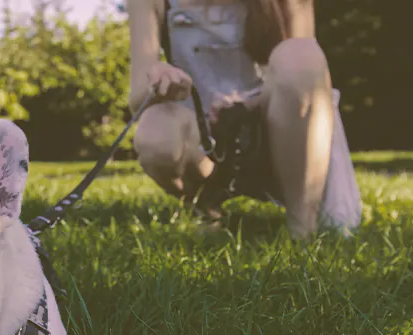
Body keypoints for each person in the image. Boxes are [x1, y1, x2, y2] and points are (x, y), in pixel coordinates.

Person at [126, 0, 362, 239]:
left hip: (280, 130)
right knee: (155, 133)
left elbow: (308, 75)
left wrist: (243, 106)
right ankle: (205, 206)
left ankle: (302, 227)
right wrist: (162, 80)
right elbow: (137, 98)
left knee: (300, 54)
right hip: (202, 135)